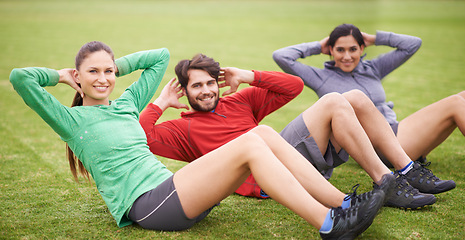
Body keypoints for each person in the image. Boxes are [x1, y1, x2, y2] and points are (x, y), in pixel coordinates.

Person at [9, 41, 388, 239]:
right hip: (149, 207)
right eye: (94, 72)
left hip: (177, 194)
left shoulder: (125, 106)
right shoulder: (70, 120)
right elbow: (20, 78)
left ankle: (345, 205)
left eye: (109, 71)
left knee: (261, 133)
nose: (104, 78)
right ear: (79, 74)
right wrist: (61, 76)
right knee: (253, 142)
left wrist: (113, 65)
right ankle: (330, 225)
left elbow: (159, 58)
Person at [140, 53, 430, 209]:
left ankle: (397, 175)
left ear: (218, 83)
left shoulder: (239, 100)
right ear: (186, 92)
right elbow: (142, 138)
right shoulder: (182, 129)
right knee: (330, 102)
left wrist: (248, 76)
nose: (206, 91)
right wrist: (161, 102)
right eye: (196, 86)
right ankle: (388, 182)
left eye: (210, 83)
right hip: (268, 176)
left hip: (286, 155)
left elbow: (293, 86)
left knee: (350, 97)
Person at [273, 23, 456, 201]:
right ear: (330, 50)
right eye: (340, 50)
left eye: (353, 49)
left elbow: (413, 44)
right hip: (368, 141)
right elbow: (281, 56)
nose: (347, 56)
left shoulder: (373, 68)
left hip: (392, 131)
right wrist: (317, 46)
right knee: (455, 104)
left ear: (362, 48)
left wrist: (376, 39)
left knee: (459, 98)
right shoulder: (320, 77)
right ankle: (407, 170)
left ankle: (409, 169)